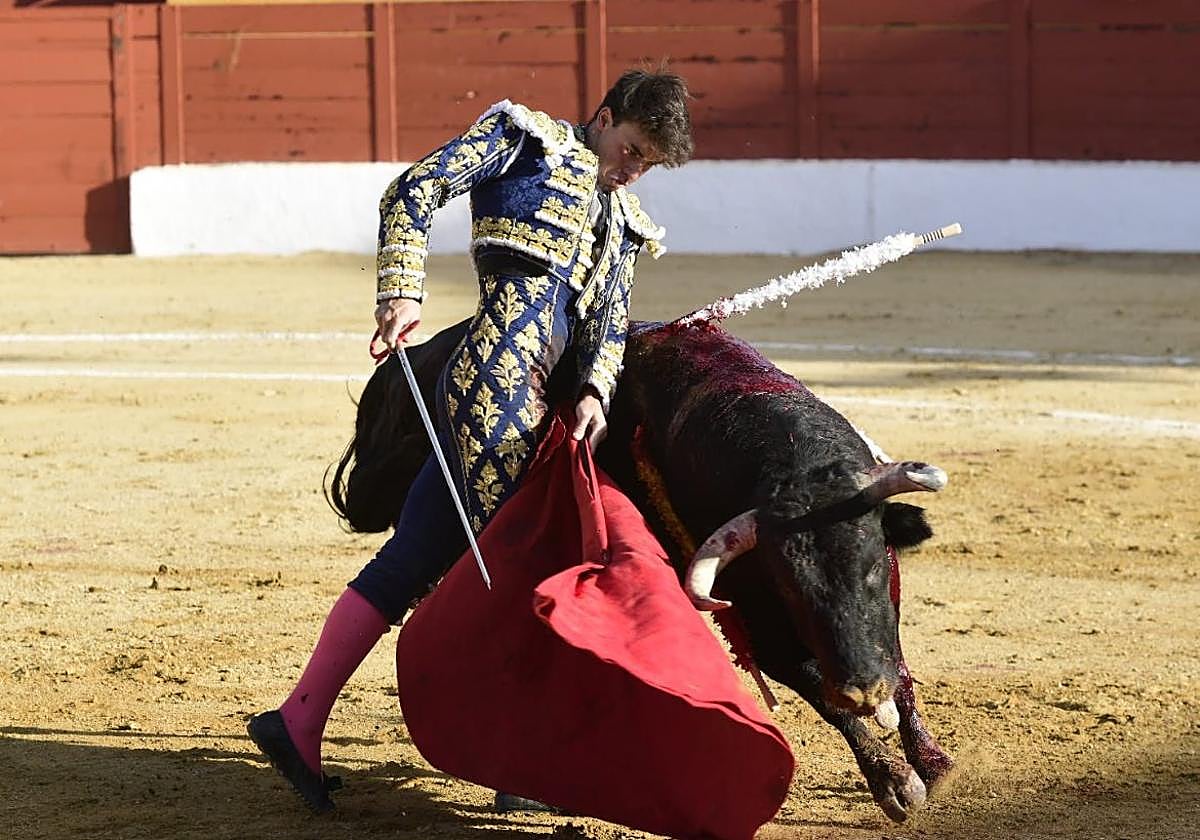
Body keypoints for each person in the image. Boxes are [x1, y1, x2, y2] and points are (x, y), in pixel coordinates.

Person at [247, 68, 694, 813]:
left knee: (416, 554)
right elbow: (414, 190)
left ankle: (298, 721)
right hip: (492, 384)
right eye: (632, 148)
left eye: (647, 164)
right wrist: (402, 292)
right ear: (606, 116)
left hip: (543, 410)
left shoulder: (623, 224)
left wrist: (592, 391)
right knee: (520, 572)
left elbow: (607, 327)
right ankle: (517, 772)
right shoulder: (526, 144)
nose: (632, 169)